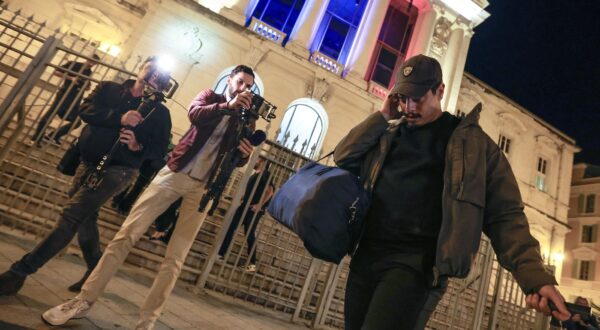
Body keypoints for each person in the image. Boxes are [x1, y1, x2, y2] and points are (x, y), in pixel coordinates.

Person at [333, 54, 571, 329]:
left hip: (415, 267)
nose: (409, 106)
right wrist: (383, 115)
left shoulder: (472, 144)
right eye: (403, 97)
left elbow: (505, 215)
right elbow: (344, 156)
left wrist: (535, 277)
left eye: (418, 97)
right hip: (367, 257)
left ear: (440, 91)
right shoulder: (388, 133)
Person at [41, 64, 257, 330]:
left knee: (175, 259)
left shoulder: (246, 119)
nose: (244, 88)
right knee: (126, 235)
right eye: (240, 82)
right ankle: (83, 301)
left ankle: (147, 322)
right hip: (175, 173)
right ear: (229, 81)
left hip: (204, 188)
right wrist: (228, 106)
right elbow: (195, 114)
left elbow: (233, 160)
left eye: (249, 85)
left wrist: (243, 155)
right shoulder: (210, 97)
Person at [0, 56, 172, 295]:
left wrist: (137, 146)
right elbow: (86, 110)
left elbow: (160, 150)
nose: (153, 75)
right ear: (141, 67)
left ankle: (19, 273)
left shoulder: (159, 112)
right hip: (86, 162)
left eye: (159, 74)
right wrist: (119, 118)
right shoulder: (110, 88)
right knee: (86, 218)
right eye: (150, 68)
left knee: (71, 216)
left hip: (119, 171)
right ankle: (95, 269)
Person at [217, 157, 275, 272]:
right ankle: (220, 254)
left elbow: (270, 191)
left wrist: (259, 206)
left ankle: (252, 263)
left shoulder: (265, 174)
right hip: (245, 206)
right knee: (231, 227)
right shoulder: (255, 174)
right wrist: (239, 197)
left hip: (253, 209)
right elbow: (250, 190)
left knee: (249, 233)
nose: (255, 161)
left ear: (263, 162)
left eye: (258, 159)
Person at [32, 54, 100, 145]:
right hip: (64, 94)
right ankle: (36, 138)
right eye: (91, 61)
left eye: (94, 63)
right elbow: (56, 72)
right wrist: (71, 78)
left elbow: (87, 86)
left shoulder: (89, 73)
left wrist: (86, 86)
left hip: (76, 98)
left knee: (76, 122)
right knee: (49, 115)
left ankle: (53, 136)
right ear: (87, 59)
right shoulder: (74, 64)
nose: (92, 64)